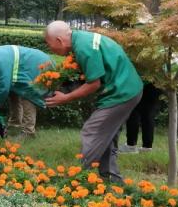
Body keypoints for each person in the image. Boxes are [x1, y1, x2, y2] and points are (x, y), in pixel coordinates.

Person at [44, 21, 143, 181]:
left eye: (49, 45)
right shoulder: (81, 41)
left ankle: (77, 179)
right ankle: (111, 179)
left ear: (59, 40)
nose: (50, 49)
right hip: (126, 89)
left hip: (121, 93)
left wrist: (66, 98)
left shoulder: (84, 47)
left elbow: (93, 83)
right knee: (106, 136)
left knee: (92, 131)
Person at [119, 82, 162, 153]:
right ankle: (147, 147)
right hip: (156, 82)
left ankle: (131, 145)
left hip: (140, 81)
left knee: (134, 113)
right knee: (149, 115)